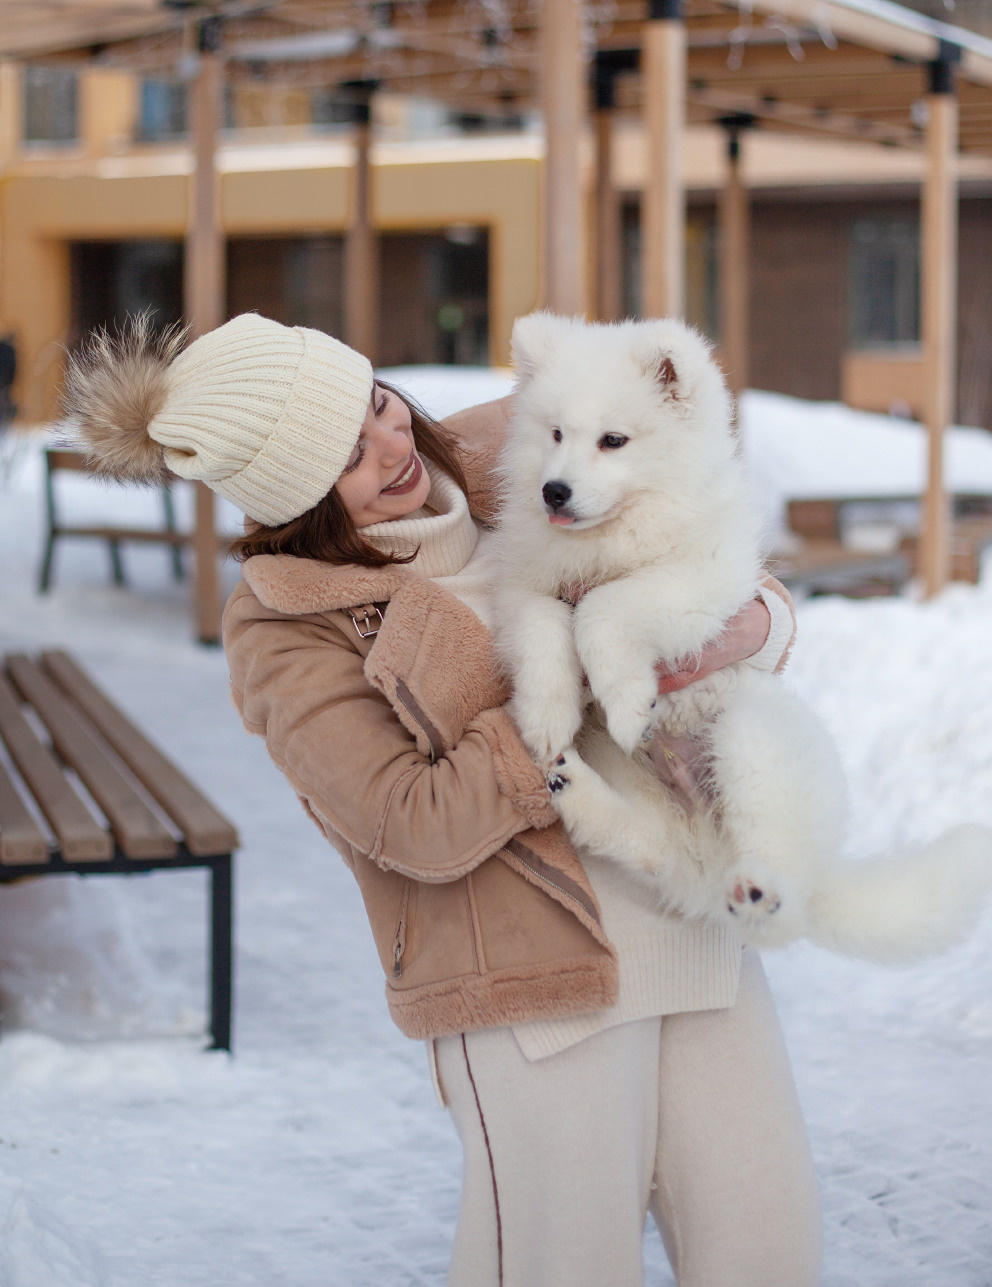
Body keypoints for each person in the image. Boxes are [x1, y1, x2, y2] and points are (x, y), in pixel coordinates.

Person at [66, 312, 821, 1287]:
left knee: (772, 1256)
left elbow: (719, 558)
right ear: (298, 501)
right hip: (537, 996)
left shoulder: (531, 446)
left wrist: (752, 624)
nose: (389, 448)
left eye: (379, 406)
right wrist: (581, 675)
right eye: (344, 455)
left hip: (693, 924)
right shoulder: (286, 627)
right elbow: (408, 824)